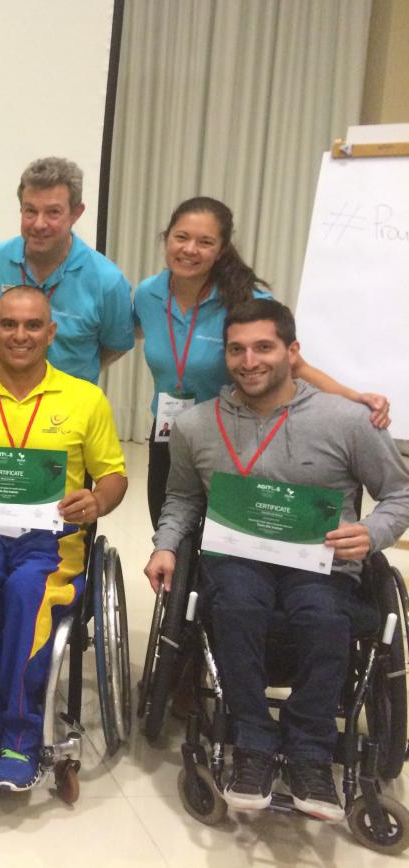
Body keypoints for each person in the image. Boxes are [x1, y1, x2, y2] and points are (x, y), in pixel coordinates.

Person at [144, 299, 409, 824]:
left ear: (292, 351)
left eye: (263, 347)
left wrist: (373, 533)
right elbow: (182, 501)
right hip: (238, 558)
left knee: (323, 616)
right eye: (237, 350)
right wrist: (165, 544)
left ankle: (311, 751)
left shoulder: (348, 421)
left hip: (323, 563)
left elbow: (399, 494)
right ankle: (253, 743)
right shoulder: (198, 425)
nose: (249, 361)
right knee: (238, 605)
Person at [0, 285, 128, 789]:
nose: (20, 335)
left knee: (27, 592)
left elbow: (113, 476)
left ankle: (21, 735)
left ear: (51, 333)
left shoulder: (85, 399)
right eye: (8, 324)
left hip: (50, 541)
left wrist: (98, 501)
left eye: (33, 325)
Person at [134, 196, 391, 527]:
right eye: (181, 237)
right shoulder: (147, 294)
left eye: (205, 242)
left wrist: (355, 398)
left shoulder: (247, 300)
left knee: (234, 529)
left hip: (235, 432)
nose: (190, 249)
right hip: (171, 429)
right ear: (165, 238)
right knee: (168, 523)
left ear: (222, 249)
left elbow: (295, 366)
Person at [0, 157, 133, 384]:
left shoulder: (108, 281)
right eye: (30, 211)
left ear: (76, 213)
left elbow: (115, 346)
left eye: (53, 212)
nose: (39, 224)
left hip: (71, 412)